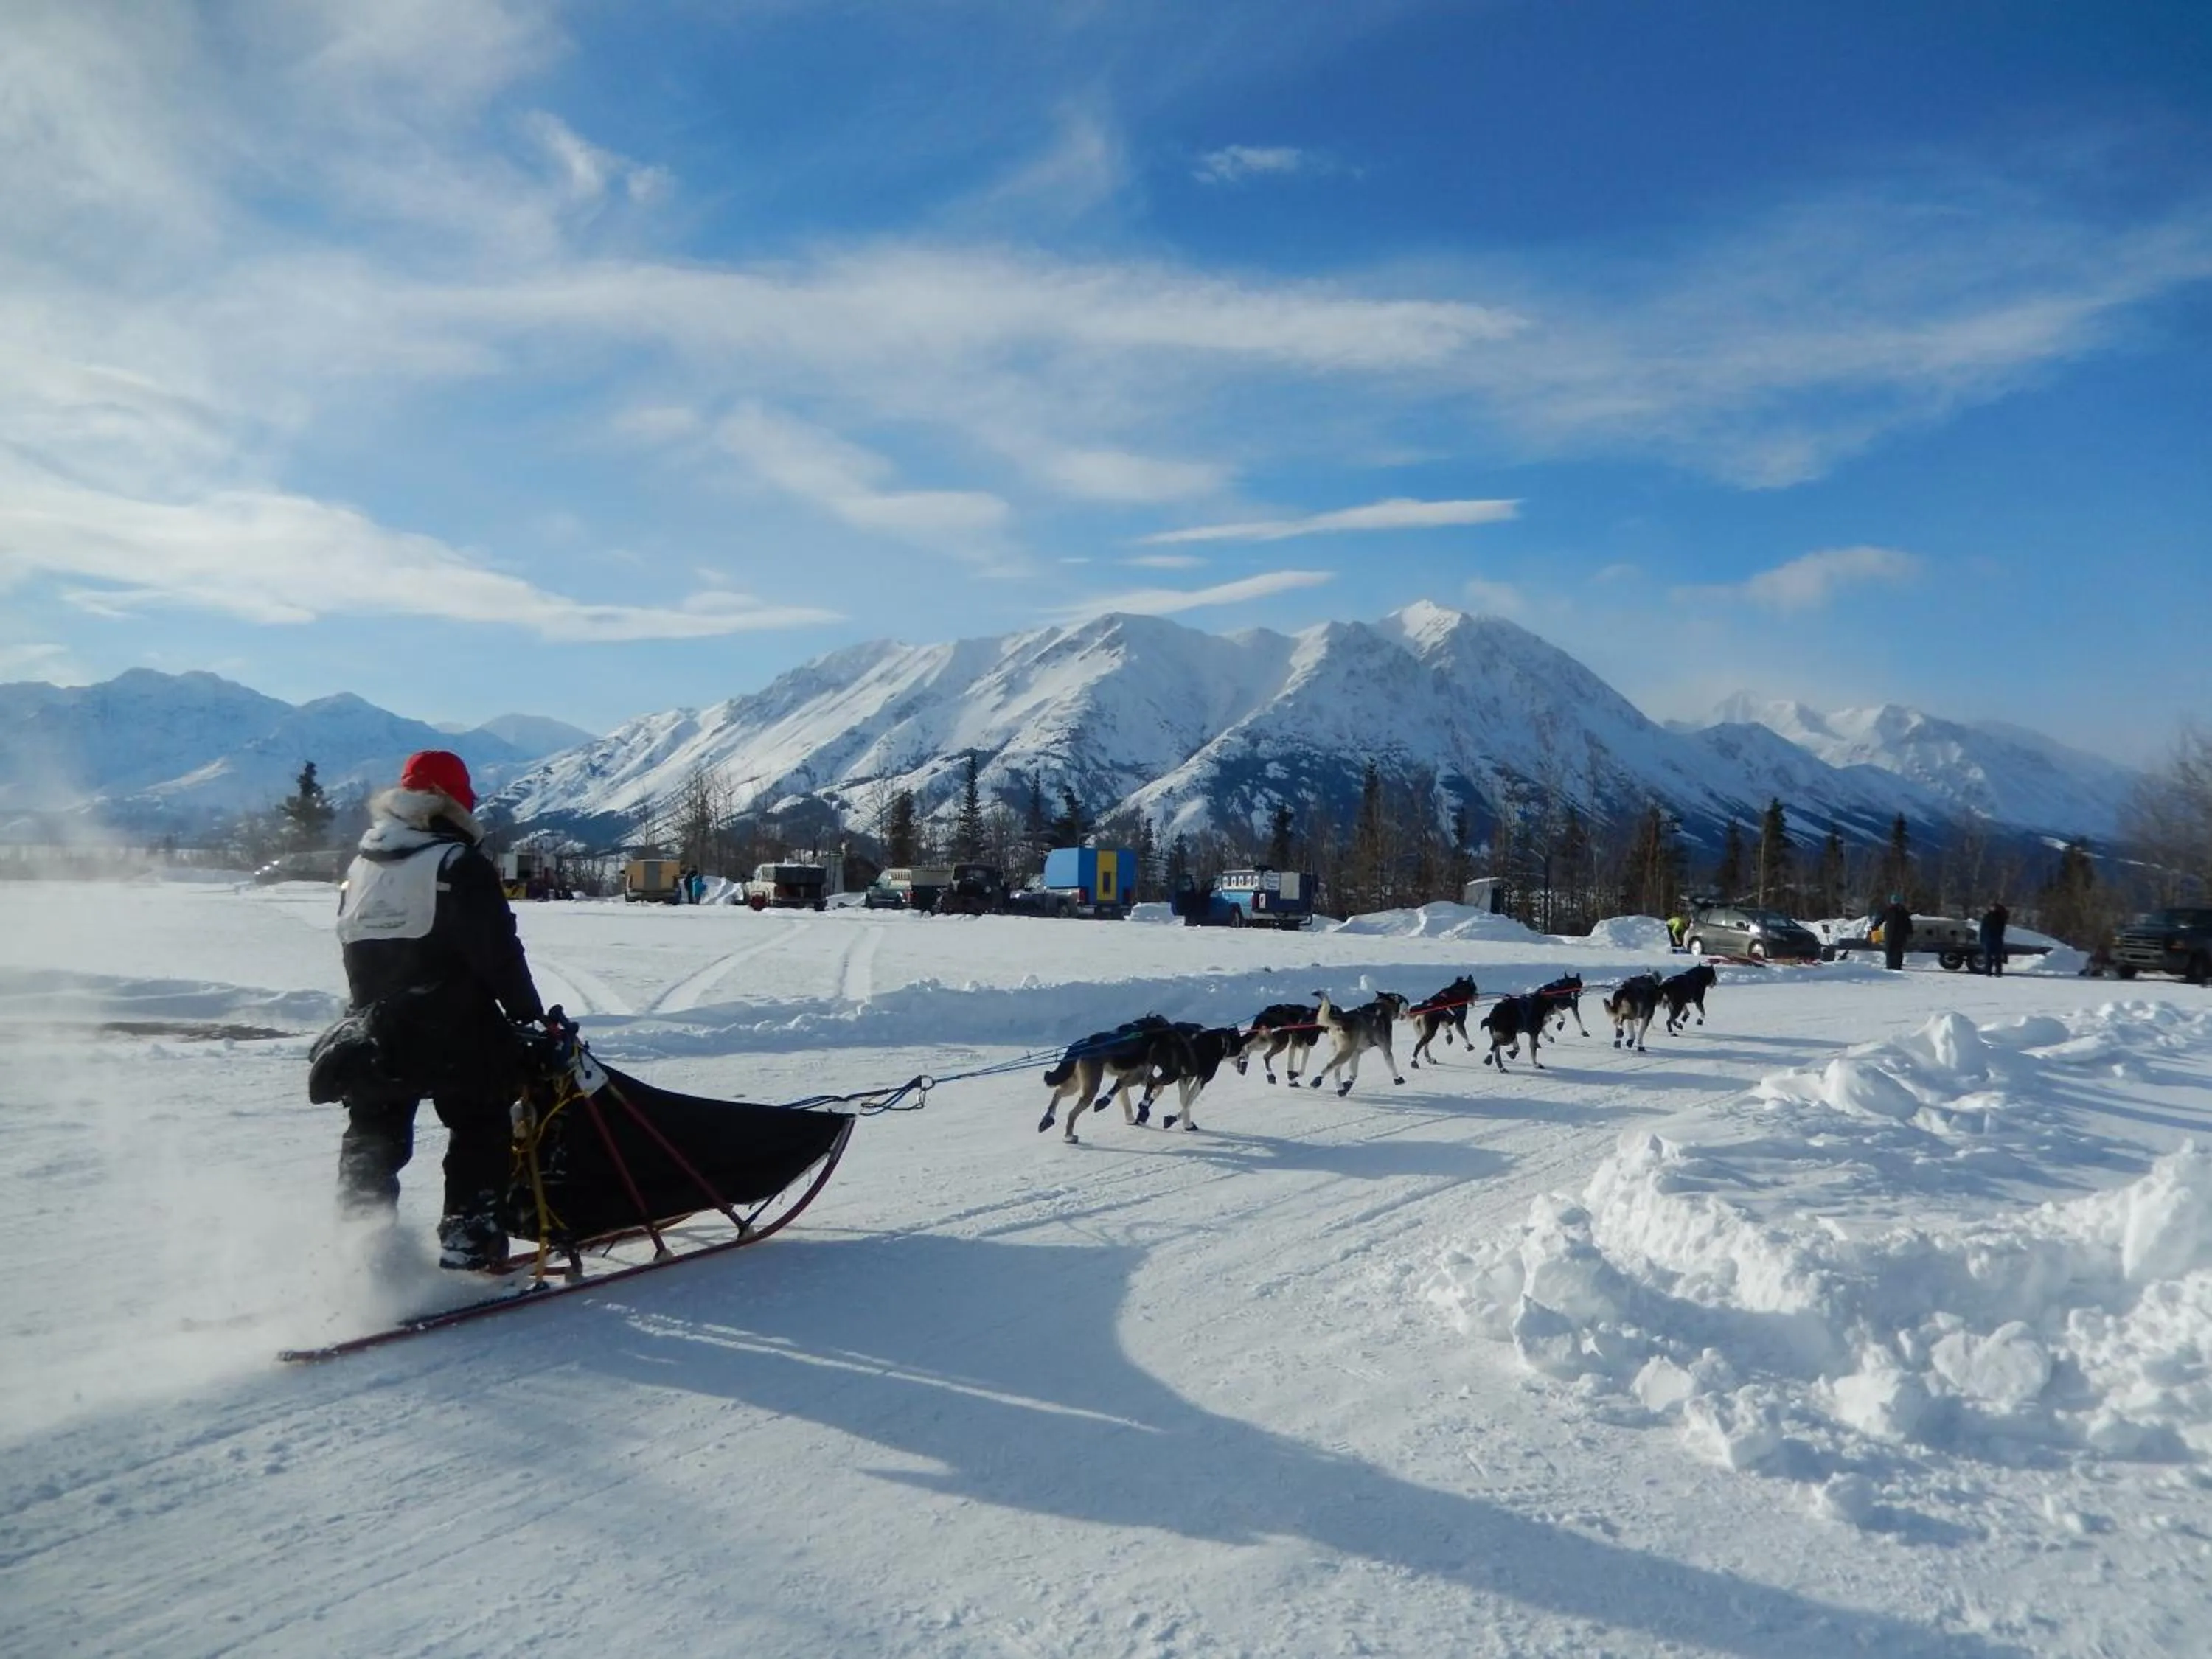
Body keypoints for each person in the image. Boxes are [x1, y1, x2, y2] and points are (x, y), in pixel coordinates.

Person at [333, 750, 545, 1270]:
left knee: (373, 1135)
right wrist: (528, 1016)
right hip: (455, 1030)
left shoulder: (361, 866)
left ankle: (360, 1246)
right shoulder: (457, 864)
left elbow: (353, 946)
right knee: (479, 1127)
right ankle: (469, 1242)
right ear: (454, 805)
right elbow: (498, 953)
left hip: (372, 1026)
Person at [1880, 894, 1913, 971]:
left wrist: (1874, 927)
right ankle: (1894, 966)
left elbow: (1880, 919)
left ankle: (1892, 966)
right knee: (1895, 951)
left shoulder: (1890, 910)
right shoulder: (1901, 911)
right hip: (1897, 934)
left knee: (1893, 951)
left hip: (1892, 934)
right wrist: (1910, 932)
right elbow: (1908, 923)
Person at [1979, 900, 2010, 978]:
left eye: (1993, 907)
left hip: (1995, 938)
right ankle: (1989, 971)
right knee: (1989, 956)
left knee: (1997, 956)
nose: (1992, 909)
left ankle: (1997, 972)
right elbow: (1983, 928)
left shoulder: (1999, 917)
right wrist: (1982, 938)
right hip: (1989, 938)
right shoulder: (1988, 917)